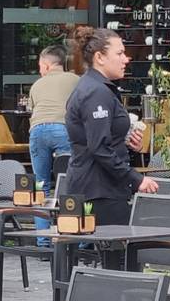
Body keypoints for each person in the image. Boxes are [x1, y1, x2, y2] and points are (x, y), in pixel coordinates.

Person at [65, 26, 158, 225]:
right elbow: (99, 147)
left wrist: (124, 140)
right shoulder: (96, 92)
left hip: (96, 187)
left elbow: (95, 138)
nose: (126, 59)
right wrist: (136, 179)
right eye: (120, 53)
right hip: (100, 190)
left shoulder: (94, 87)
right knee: (117, 253)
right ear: (100, 57)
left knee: (109, 253)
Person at [27, 44, 79, 231]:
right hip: (63, 129)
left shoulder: (36, 85)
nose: (40, 70)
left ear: (47, 66)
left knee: (41, 185)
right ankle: (74, 236)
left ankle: (42, 239)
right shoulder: (75, 80)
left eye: (40, 66)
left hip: (38, 131)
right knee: (69, 182)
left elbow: (32, 111)